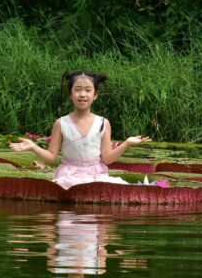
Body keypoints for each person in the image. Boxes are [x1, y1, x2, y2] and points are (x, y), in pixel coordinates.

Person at [10, 71, 151, 189]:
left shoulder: (103, 123)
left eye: (88, 90)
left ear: (95, 95)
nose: (82, 94)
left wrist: (126, 144)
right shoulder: (61, 123)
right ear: (70, 94)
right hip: (68, 175)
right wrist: (33, 146)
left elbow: (107, 158)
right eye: (77, 90)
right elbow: (51, 157)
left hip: (96, 175)